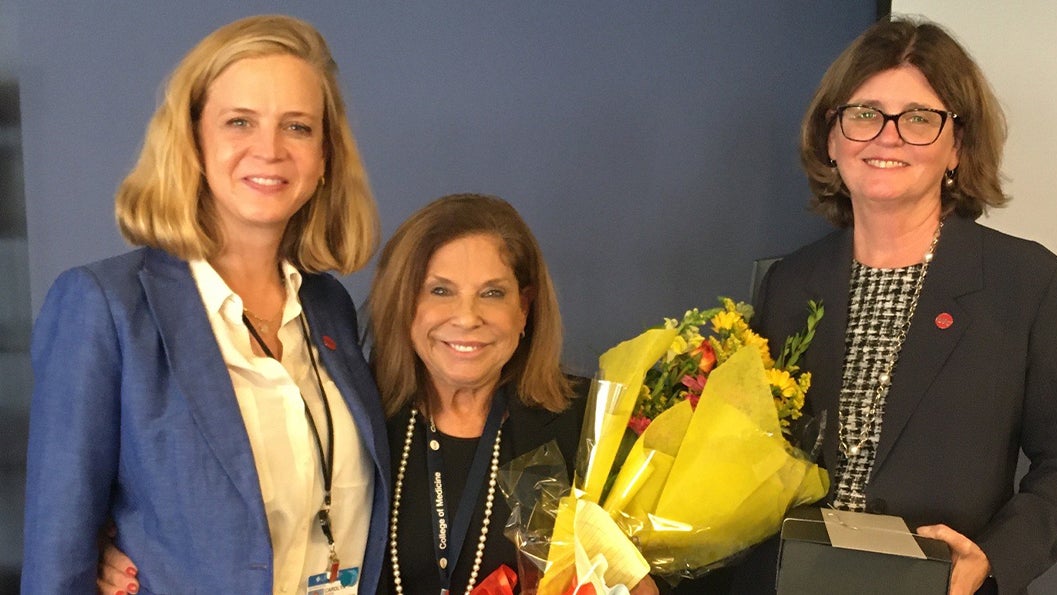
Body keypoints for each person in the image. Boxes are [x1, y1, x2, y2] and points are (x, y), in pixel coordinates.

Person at [22, 15, 390, 594]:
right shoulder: (105, 308)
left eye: (297, 127)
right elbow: (56, 558)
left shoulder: (329, 307)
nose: (269, 149)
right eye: (239, 121)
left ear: (324, 158)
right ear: (192, 142)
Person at [739, 16, 1057, 595]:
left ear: (958, 146)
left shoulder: (1024, 283)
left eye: (920, 118)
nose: (887, 136)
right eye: (864, 114)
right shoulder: (787, 283)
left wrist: (993, 558)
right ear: (832, 138)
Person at [368, 194, 657, 594]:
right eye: (439, 291)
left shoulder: (588, 428)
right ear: (403, 302)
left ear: (524, 307)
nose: (468, 317)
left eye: (492, 293)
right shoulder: (359, 419)